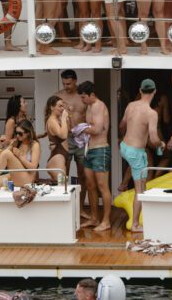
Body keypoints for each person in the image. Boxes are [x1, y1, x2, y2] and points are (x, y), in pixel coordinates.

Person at [119, 78, 166, 233]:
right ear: (154, 92)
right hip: (135, 152)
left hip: (124, 147)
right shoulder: (151, 113)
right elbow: (153, 139)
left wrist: (124, 137)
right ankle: (135, 225)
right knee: (140, 189)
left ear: (140, 91)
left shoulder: (131, 105)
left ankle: (144, 216)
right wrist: (161, 144)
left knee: (142, 182)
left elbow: (122, 125)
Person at [78, 81, 112, 232]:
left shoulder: (99, 105)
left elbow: (97, 129)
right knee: (90, 185)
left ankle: (106, 221)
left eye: (84, 97)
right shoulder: (89, 106)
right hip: (89, 150)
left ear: (92, 95)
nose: (82, 100)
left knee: (102, 186)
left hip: (100, 150)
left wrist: (81, 129)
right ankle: (94, 217)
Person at [56, 70, 88, 215]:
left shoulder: (83, 96)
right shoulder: (58, 96)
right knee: (64, 173)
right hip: (65, 139)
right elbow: (51, 118)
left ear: (75, 81)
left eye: (68, 83)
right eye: (64, 83)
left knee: (83, 174)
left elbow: (91, 116)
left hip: (81, 139)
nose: (66, 86)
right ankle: (64, 208)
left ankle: (80, 208)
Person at [0, 119, 41, 188]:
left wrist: (20, 156)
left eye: (20, 133)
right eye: (16, 133)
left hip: (28, 179)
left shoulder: (35, 145)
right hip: (15, 176)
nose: (17, 135)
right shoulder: (17, 143)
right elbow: (1, 160)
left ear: (28, 132)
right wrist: (1, 147)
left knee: (7, 153)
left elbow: (33, 168)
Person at [44, 95, 69, 183]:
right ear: (52, 107)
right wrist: (63, 118)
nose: (62, 108)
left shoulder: (55, 120)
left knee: (63, 187)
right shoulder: (52, 121)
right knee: (63, 188)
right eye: (60, 106)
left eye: (63, 106)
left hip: (60, 156)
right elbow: (63, 135)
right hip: (56, 158)